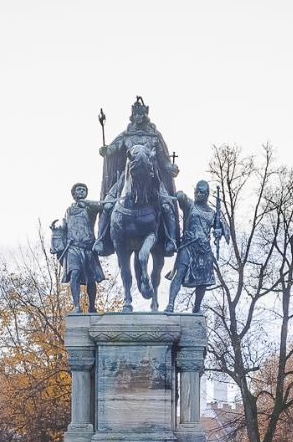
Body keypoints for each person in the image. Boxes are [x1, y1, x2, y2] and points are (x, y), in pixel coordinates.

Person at [95, 96, 178, 258]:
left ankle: (171, 240)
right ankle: (101, 239)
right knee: (106, 206)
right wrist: (106, 151)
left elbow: (163, 159)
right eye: (136, 114)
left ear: (145, 116)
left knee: (167, 206)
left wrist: (171, 168)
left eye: (141, 114)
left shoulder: (154, 136)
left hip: (152, 179)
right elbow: (113, 148)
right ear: (133, 116)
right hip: (127, 178)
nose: (138, 117)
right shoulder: (126, 135)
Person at [165, 180, 225, 313]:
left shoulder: (212, 213)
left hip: (204, 249)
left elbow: (219, 230)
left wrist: (218, 232)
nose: (199, 194)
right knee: (179, 274)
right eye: (197, 191)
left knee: (203, 282)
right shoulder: (190, 205)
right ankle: (170, 304)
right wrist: (180, 195)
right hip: (188, 246)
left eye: (202, 192)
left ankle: (196, 307)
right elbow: (181, 197)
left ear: (207, 194)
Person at [51, 183, 106, 313]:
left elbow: (101, 206)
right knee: (74, 273)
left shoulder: (89, 208)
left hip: (88, 248)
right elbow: (65, 227)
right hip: (73, 248)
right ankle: (76, 306)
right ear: (74, 193)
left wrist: (85, 203)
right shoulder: (68, 211)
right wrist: (57, 231)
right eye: (78, 190)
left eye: (83, 190)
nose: (81, 191)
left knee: (91, 279)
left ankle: (92, 306)